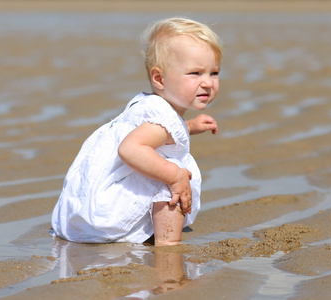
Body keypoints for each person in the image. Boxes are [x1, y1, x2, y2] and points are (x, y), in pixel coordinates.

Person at [51, 17, 222, 246]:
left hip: (84, 211)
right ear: (159, 78)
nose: (208, 83)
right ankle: (168, 243)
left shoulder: (148, 105)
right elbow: (129, 149)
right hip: (107, 214)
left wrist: (189, 127)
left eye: (214, 73)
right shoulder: (161, 117)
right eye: (195, 73)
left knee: (165, 162)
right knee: (176, 171)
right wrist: (174, 176)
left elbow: (160, 137)